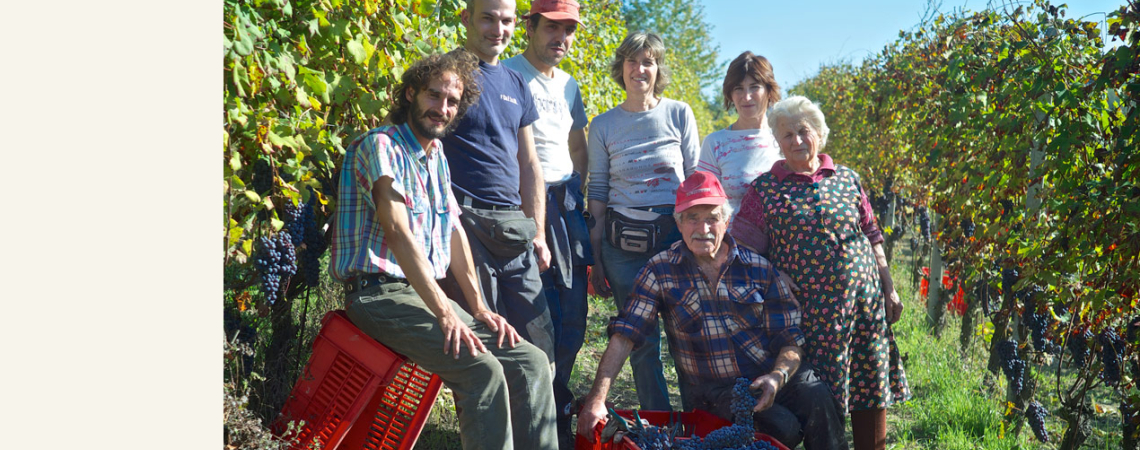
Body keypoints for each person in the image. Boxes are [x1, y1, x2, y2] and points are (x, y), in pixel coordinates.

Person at [330, 51, 557, 450]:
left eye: (452, 102)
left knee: (529, 362)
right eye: (434, 96)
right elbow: (398, 235)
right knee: (481, 370)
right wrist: (443, 311)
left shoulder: (436, 157)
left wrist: (481, 308)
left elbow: (454, 234)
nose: (443, 108)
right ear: (410, 94)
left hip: (418, 294)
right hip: (378, 295)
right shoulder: (380, 146)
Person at [576, 172, 848, 450]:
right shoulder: (660, 270)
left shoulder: (758, 267)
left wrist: (777, 377)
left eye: (712, 218)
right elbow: (625, 335)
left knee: (819, 399)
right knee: (782, 428)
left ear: (727, 222)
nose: (703, 228)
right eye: (693, 217)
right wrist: (597, 400)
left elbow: (790, 339)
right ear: (679, 224)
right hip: (715, 391)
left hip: (771, 372)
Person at [730, 96, 912, 450]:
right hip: (812, 315)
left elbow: (873, 235)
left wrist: (889, 288)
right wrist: (775, 276)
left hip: (864, 309)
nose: (797, 141)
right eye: (787, 135)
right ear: (777, 142)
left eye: (804, 131)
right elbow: (741, 250)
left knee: (870, 386)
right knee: (823, 395)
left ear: (819, 135)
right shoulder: (765, 189)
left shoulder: (847, 179)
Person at [586, 31, 701, 412]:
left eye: (648, 61)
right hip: (622, 245)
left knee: (688, 333)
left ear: (658, 69)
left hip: (674, 237)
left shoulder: (679, 113)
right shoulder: (603, 125)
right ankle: (661, 423)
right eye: (633, 61)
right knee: (640, 338)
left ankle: (700, 421)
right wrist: (597, 257)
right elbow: (598, 192)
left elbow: (696, 181)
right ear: (621, 68)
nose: (640, 69)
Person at [440, 0, 555, 363]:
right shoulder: (446, 75)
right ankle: (489, 420)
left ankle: (538, 419)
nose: (497, 29)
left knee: (539, 339)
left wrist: (537, 231)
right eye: (487, 19)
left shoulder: (516, 81)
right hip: (463, 224)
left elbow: (530, 163)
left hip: (512, 226)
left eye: (505, 21)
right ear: (466, 19)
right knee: (481, 344)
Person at [501, 1, 592, 447]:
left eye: (569, 29)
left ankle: (557, 405)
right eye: (553, 27)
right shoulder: (509, 75)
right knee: (535, 312)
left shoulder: (571, 85)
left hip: (567, 203)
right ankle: (529, 414)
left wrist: (582, 198)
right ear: (531, 25)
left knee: (574, 313)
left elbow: (578, 145)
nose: (562, 38)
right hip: (523, 207)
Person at [697, 51, 782, 215]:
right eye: (739, 88)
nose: (746, 96)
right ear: (730, 94)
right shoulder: (715, 143)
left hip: (782, 239)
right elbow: (704, 204)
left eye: (754, 87)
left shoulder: (786, 139)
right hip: (731, 239)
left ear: (769, 91)